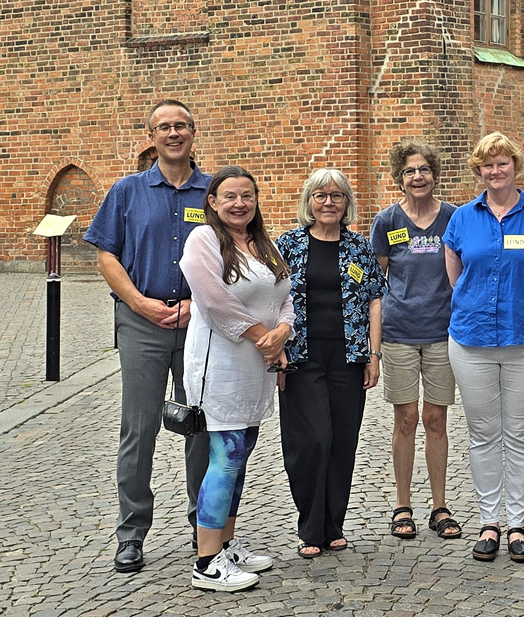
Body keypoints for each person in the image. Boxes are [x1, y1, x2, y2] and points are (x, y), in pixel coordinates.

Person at [83, 99, 211, 573]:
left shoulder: (213, 192)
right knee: (139, 428)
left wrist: (197, 305)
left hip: (200, 321)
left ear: (193, 133)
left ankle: (206, 524)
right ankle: (132, 532)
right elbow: (106, 256)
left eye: (181, 126)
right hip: (142, 321)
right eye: (164, 127)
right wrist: (139, 303)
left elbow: (236, 254)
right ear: (151, 136)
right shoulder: (127, 191)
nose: (173, 134)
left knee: (200, 422)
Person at [443, 132, 524, 564]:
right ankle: (489, 522)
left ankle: (517, 523)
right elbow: (456, 277)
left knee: (520, 435)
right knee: (482, 435)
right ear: (478, 170)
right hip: (471, 341)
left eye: (502, 163)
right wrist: (482, 309)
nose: (495, 171)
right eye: (486, 165)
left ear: (516, 166)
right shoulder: (461, 219)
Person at [180, 165, 294, 592]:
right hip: (221, 367)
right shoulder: (203, 240)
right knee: (225, 455)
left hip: (257, 366)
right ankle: (206, 562)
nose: (239, 203)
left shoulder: (262, 243)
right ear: (212, 201)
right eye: (229, 196)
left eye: (246, 195)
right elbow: (213, 301)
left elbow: (284, 295)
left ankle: (226, 544)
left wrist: (282, 332)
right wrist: (264, 336)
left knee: (240, 455)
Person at [276, 168, 387, 559]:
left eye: (336, 196)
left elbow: (375, 299)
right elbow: (270, 299)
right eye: (320, 196)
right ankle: (310, 526)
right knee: (311, 442)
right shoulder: (287, 244)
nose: (328, 203)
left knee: (342, 441)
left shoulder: (359, 247)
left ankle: (333, 524)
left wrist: (374, 355)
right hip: (301, 357)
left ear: (346, 204)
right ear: (309, 201)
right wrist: (277, 351)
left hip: (348, 357)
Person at [369, 140, 461, 540]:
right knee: (406, 419)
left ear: (434, 174)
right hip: (400, 333)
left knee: (435, 420)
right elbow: (378, 281)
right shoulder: (388, 222)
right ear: (399, 177)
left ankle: (439, 506)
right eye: (409, 171)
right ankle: (402, 504)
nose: (418, 177)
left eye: (424, 169)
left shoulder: (453, 219)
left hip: (443, 332)